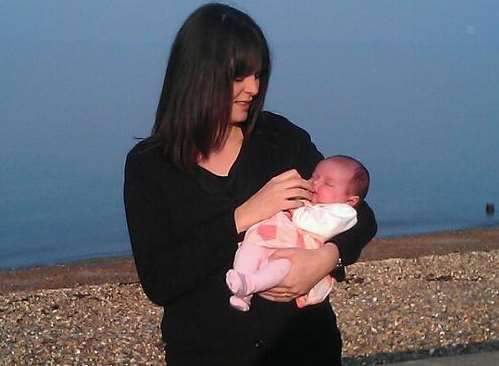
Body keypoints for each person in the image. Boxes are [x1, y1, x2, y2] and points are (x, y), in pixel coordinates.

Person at [124, 3, 377, 365]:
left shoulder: (280, 139)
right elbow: (161, 281)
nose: (254, 88)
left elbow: (360, 215)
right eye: (239, 76)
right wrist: (241, 217)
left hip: (306, 349)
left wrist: (325, 259)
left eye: (258, 75)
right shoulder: (150, 166)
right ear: (198, 74)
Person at [226, 155, 369, 311]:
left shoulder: (343, 212)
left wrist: (331, 255)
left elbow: (317, 225)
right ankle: (242, 290)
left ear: (351, 201)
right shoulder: (310, 200)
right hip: (271, 241)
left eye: (328, 184)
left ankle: (251, 283)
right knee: (249, 249)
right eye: (314, 176)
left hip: (296, 255)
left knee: (281, 266)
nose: (315, 183)